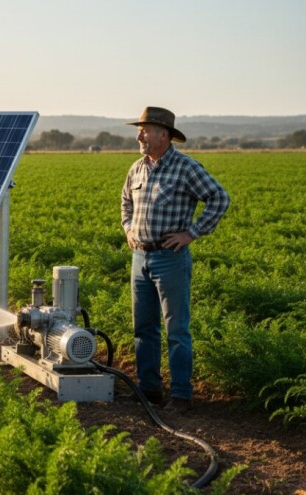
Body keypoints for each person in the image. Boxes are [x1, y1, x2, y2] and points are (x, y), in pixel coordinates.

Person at [120, 107, 230, 414]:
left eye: (146, 129)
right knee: (143, 328)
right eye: (139, 129)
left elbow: (219, 198)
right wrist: (128, 228)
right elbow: (126, 202)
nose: (139, 135)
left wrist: (192, 233)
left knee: (176, 330)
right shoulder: (137, 168)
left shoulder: (186, 168)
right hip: (140, 257)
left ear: (164, 135)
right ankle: (149, 389)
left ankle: (181, 395)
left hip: (171, 258)